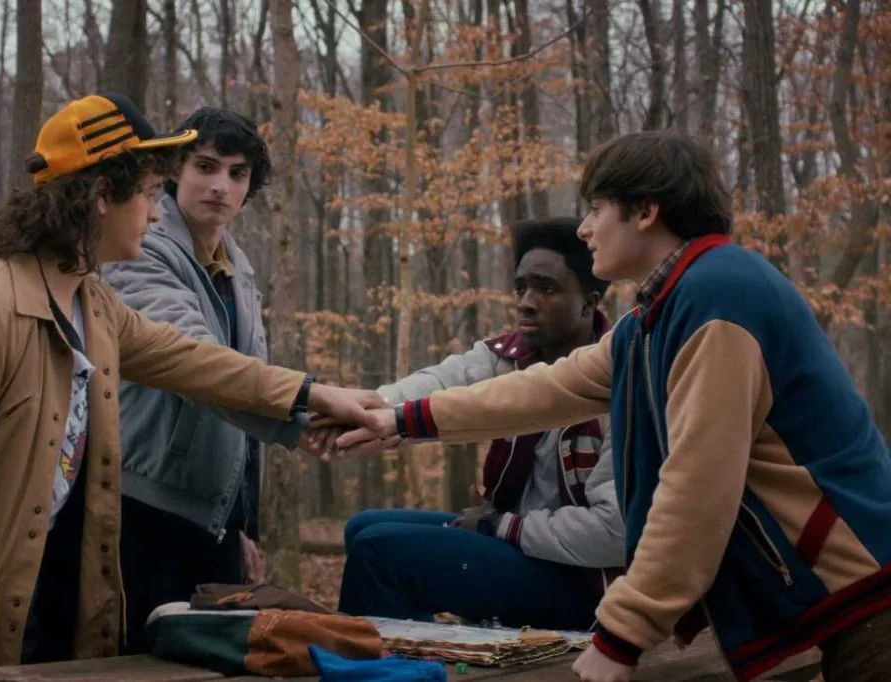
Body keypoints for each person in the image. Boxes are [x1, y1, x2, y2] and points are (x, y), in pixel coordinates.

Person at [332, 132, 891, 682]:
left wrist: (623, 633)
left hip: (870, 599)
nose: (584, 228)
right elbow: (546, 389)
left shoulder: (718, 300)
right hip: (844, 603)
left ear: (645, 211)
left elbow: (697, 488)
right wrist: (399, 418)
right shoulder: (657, 318)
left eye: (596, 209)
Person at [0, 93, 381, 679]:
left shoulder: (91, 302)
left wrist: (314, 395)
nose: (156, 215)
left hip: (23, 588)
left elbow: (193, 361)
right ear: (101, 196)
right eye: (147, 194)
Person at [336, 218, 624, 631]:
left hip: (585, 582)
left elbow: (615, 533)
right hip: (519, 544)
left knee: (379, 551)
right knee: (362, 527)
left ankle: (382, 660)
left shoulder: (619, 383)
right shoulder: (507, 358)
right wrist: (359, 410)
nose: (525, 303)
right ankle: (416, 651)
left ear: (588, 303)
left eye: (546, 289)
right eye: (521, 288)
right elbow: (438, 384)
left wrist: (499, 525)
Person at [102, 108, 298, 653]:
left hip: (211, 518)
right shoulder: (140, 249)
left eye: (238, 174)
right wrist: (310, 408)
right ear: (175, 171)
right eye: (206, 167)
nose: (220, 186)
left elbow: (243, 417)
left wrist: (242, 525)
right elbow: (201, 365)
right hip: (143, 508)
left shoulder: (238, 268)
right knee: (139, 662)